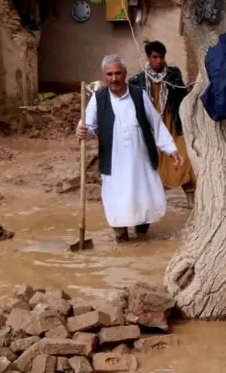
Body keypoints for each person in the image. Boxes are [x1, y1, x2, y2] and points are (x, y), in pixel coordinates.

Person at [76, 55, 184, 242]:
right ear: (104, 76)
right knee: (117, 199)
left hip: (140, 160)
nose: (114, 78)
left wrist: (171, 150)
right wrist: (82, 131)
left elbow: (156, 124)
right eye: (110, 74)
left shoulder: (139, 94)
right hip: (114, 162)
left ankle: (142, 234)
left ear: (125, 74)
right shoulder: (98, 98)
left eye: (118, 73)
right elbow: (88, 129)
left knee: (143, 197)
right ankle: (121, 236)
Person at [128, 41, 197, 208]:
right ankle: (156, 204)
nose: (159, 61)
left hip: (173, 123)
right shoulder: (137, 80)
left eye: (161, 57)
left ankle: (191, 202)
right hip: (151, 128)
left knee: (183, 159)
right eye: (155, 57)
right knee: (154, 164)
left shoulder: (173, 75)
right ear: (148, 57)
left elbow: (182, 98)